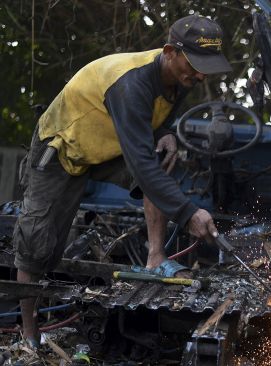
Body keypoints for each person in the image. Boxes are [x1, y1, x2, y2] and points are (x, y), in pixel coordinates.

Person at [12, 14, 230, 347]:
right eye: (195, 65)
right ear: (170, 51)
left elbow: (157, 123)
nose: (200, 74)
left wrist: (168, 133)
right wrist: (188, 214)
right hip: (62, 149)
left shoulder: (179, 79)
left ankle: (156, 258)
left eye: (206, 67)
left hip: (106, 145)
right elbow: (141, 164)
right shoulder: (131, 84)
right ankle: (29, 334)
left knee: (161, 158)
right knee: (37, 244)